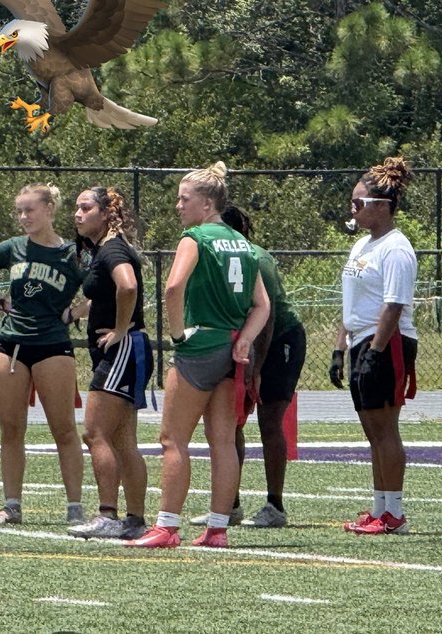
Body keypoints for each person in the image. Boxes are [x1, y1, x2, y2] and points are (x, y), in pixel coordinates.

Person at [126, 162, 271, 549]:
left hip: (201, 344)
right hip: (231, 346)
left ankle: (167, 525)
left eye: (184, 198)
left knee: (173, 439)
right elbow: (262, 305)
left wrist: (177, 334)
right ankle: (218, 528)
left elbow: (173, 287)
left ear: (206, 204)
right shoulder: (243, 243)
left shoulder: (196, 237)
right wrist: (245, 341)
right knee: (223, 441)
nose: (178, 206)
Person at [0, 183, 87, 526]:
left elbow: (106, 287)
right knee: (11, 428)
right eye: (19, 211)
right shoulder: (14, 248)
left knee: (63, 429)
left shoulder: (73, 253)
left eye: (29, 210)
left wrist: (74, 313)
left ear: (49, 209)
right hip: (11, 346)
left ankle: (75, 506)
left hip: (53, 346)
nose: (23, 217)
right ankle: (11, 504)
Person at [190, 204, 304, 529]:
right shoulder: (212, 254)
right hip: (244, 342)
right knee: (230, 422)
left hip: (278, 339)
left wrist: (256, 369)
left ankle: (275, 505)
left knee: (270, 421)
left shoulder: (253, 256)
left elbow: (265, 317)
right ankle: (230, 504)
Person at [330, 156, 418, 536]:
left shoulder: (395, 248)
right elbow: (351, 303)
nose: (353, 209)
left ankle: (393, 512)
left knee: (385, 429)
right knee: (372, 430)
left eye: (359, 202)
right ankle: (380, 507)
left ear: (382, 205)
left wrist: (376, 352)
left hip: (386, 342)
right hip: (361, 340)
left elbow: (393, 305)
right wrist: (340, 347)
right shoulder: (362, 246)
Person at [66, 186, 151, 540]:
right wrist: (75, 313)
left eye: (85, 208)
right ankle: (134, 520)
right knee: (122, 439)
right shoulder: (102, 249)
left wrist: (119, 330)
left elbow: (127, 287)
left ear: (105, 213)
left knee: (94, 432)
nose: (78, 214)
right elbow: (106, 294)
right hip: (126, 349)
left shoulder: (112, 249)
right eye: (76, 208)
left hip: (122, 349)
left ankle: (107, 515)